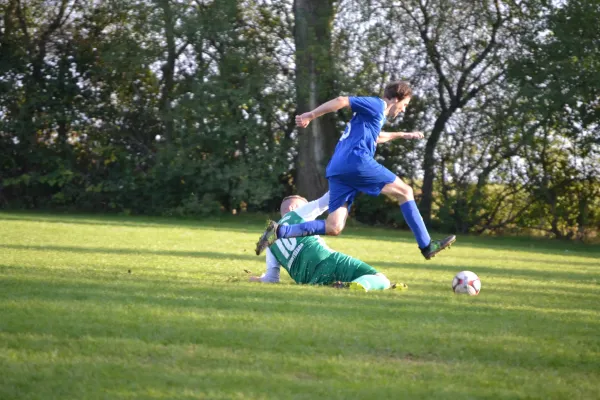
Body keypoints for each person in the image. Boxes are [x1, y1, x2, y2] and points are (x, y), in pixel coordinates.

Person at [255, 81, 455, 259]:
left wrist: (402, 135)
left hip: (338, 169)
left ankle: (278, 232)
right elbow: (342, 100)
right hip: (356, 162)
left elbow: (376, 138)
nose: (403, 110)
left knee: (334, 227)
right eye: (405, 105)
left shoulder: (373, 118)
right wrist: (311, 115)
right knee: (406, 192)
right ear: (396, 98)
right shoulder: (378, 105)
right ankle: (426, 245)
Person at [249, 192, 404, 292]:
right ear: (294, 207)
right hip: (328, 260)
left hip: (309, 280)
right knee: (381, 279)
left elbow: (272, 279)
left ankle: (346, 287)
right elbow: (328, 199)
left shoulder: (269, 238)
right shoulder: (298, 212)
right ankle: (363, 285)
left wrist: (258, 279)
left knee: (333, 285)